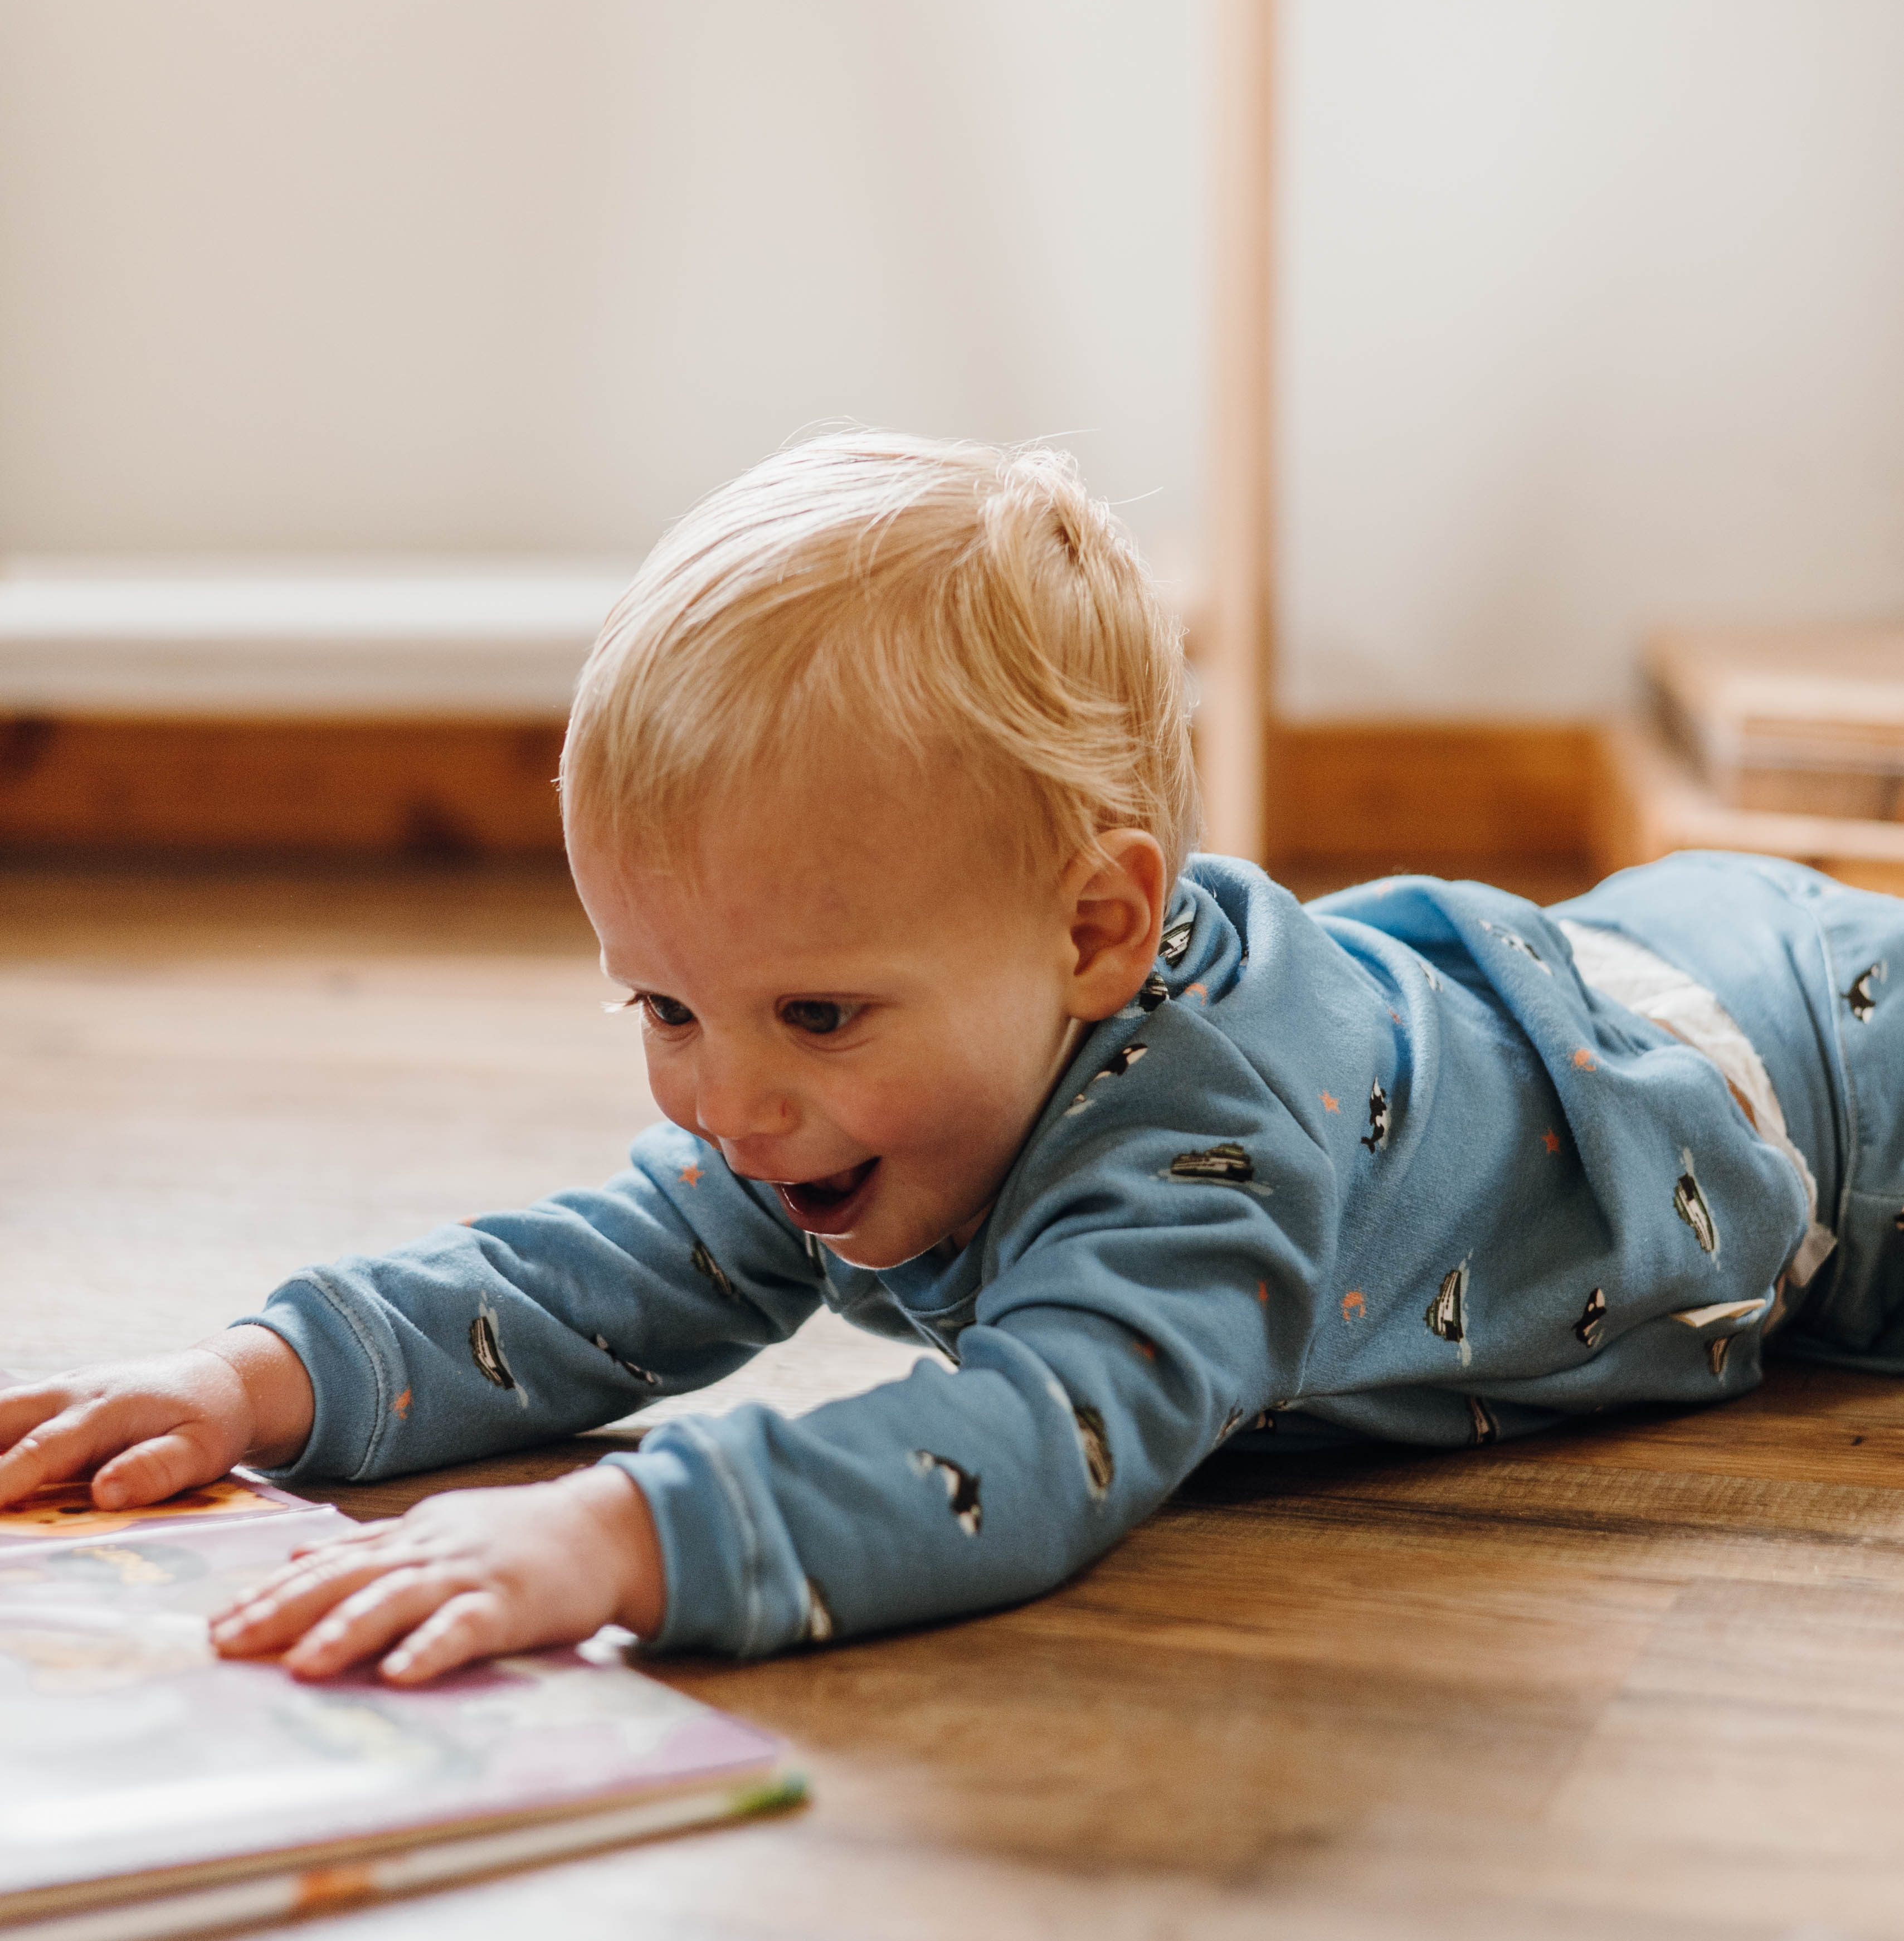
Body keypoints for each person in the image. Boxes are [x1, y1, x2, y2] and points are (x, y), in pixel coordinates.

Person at [3, 435, 1900, 1685]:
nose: (724, 1103)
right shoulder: (839, 1102)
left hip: (1821, 1085)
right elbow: (588, 1284)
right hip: (1633, 1005)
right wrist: (254, 1383)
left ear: (1091, 933)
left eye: (811, 1015)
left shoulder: (1200, 1155)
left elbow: (1035, 1448)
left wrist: (625, 1531)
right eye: (660, 1008)